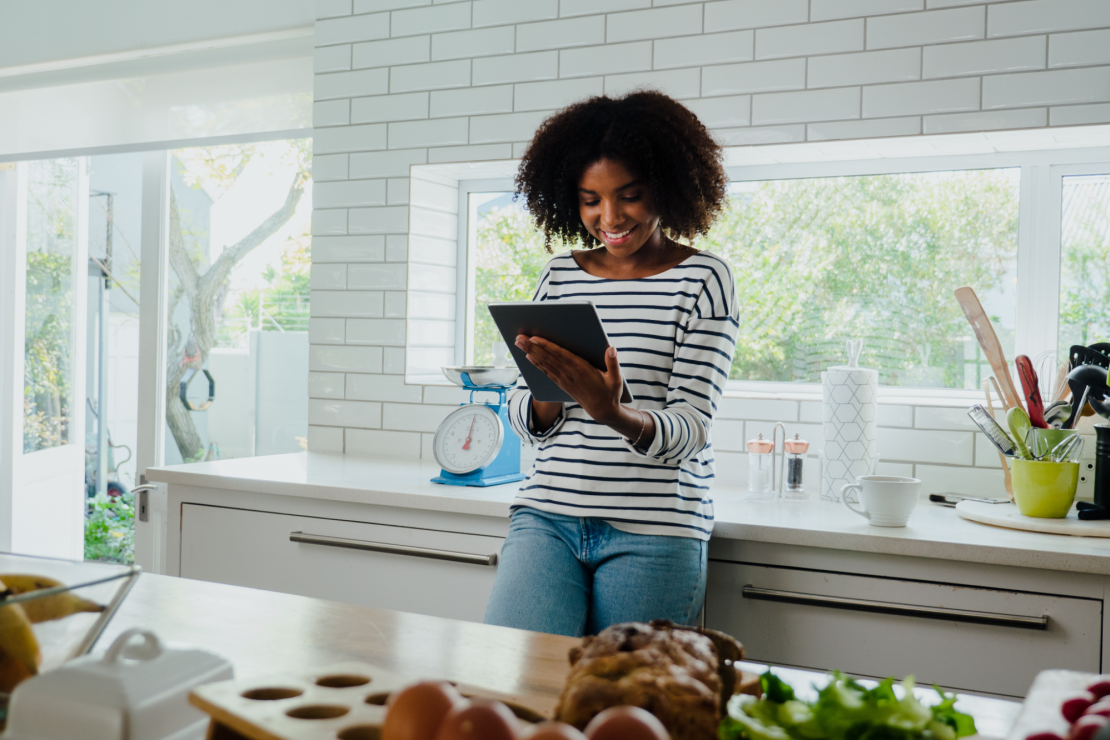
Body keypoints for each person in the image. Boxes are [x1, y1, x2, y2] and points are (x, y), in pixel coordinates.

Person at [482, 90, 739, 637]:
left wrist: (615, 413)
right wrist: (551, 394)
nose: (610, 217)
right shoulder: (560, 275)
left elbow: (693, 427)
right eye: (590, 200)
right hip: (546, 517)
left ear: (666, 187)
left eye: (630, 196)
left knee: (623, 711)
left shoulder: (703, 279)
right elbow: (526, 415)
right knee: (512, 685)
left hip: (655, 532)